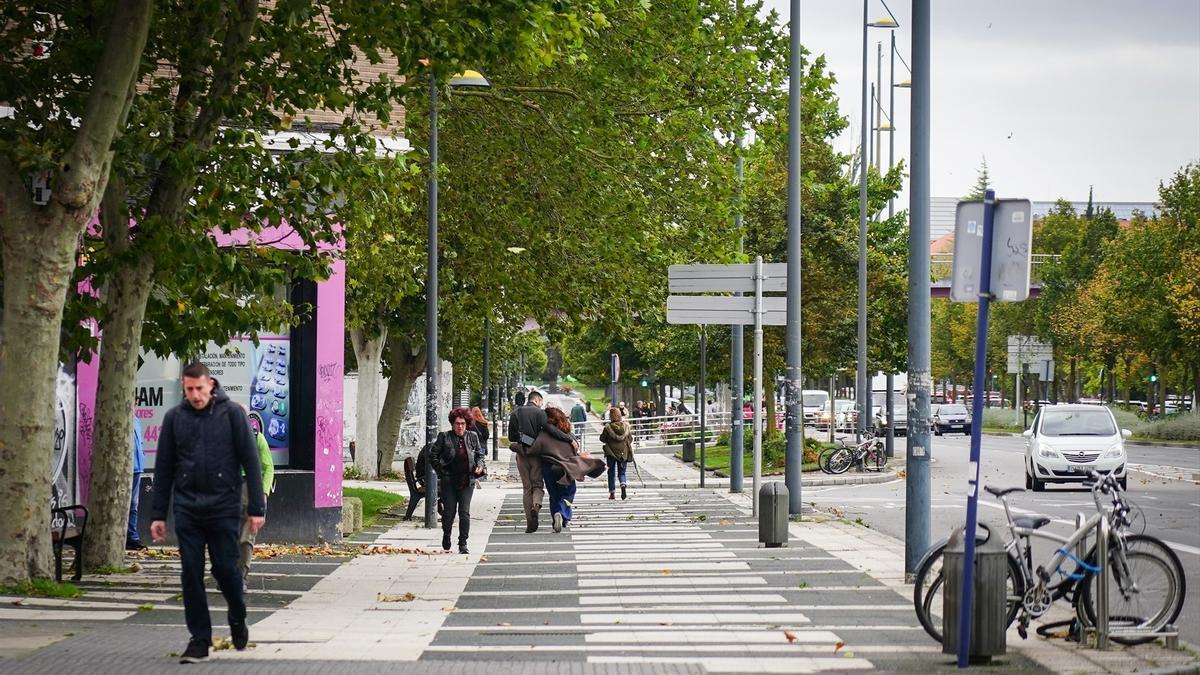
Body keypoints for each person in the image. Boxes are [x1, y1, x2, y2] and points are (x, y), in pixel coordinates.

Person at [149, 363, 264, 664]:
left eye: (200, 388)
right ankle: (199, 640)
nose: (196, 395)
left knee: (226, 570)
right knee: (190, 573)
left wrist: (256, 508)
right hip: (187, 509)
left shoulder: (232, 415)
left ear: (211, 384)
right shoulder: (175, 419)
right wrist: (158, 514)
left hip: (223, 506)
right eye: (189, 390)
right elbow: (163, 468)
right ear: (184, 388)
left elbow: (252, 463)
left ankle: (237, 615)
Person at [507, 390, 574, 533]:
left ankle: (530, 523)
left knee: (527, 488)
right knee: (537, 484)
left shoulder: (515, 413)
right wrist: (569, 438)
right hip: (537, 455)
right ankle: (536, 505)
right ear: (537, 400)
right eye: (541, 402)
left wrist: (524, 440)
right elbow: (551, 430)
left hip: (521, 455)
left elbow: (512, 437)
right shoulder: (540, 413)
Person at [529, 407, 604, 532]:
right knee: (568, 493)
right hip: (566, 468)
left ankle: (556, 518)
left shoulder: (542, 435)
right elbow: (575, 451)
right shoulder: (569, 435)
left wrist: (516, 446)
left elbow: (532, 450)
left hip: (549, 468)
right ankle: (562, 512)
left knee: (554, 495)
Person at [430, 408, 486, 554]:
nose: (459, 427)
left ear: (467, 424)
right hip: (449, 480)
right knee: (449, 512)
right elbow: (433, 455)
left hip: (467, 480)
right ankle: (447, 534)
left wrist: (480, 465)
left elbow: (480, 454)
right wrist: (441, 471)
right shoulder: (444, 437)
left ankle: (463, 542)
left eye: (462, 423)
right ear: (452, 424)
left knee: (464, 512)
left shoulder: (472, 436)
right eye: (456, 424)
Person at [237, 405, 274, 592]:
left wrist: (264, 493)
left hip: (250, 489)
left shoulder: (257, 438)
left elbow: (268, 467)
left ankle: (241, 576)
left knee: (246, 537)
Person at [599, 407, 634, 500]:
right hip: (623, 453)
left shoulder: (608, 427)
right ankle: (623, 484)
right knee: (622, 472)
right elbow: (630, 439)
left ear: (610, 416)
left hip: (611, 453)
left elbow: (602, 439)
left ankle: (612, 493)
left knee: (611, 473)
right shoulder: (626, 427)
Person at [126, 417, 147, 551]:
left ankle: (132, 537)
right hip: (126, 467)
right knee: (129, 504)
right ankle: (130, 537)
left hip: (137, 467)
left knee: (134, 505)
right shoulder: (124, 418)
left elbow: (140, 442)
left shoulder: (137, 421)